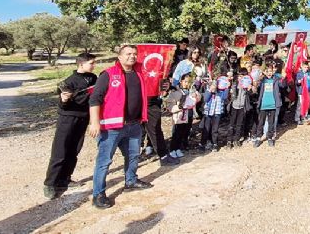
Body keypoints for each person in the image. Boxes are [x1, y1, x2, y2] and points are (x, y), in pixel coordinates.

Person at [89, 45, 153, 209]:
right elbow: (95, 99)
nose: (132, 56)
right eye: (128, 54)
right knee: (104, 161)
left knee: (133, 156)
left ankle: (131, 181)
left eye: (134, 54)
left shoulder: (139, 73)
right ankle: (98, 194)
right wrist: (94, 122)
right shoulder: (108, 74)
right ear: (119, 57)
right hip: (111, 128)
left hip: (134, 125)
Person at [43, 54, 97, 199]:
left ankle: (65, 179)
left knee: (74, 149)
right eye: (91, 63)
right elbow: (63, 105)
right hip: (68, 119)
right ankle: (50, 184)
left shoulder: (93, 78)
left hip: (83, 118)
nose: (94, 66)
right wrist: (64, 99)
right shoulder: (69, 82)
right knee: (60, 151)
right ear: (81, 64)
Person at [166, 73, 200, 157]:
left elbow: (197, 99)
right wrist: (178, 107)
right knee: (176, 133)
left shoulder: (190, 91)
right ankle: (172, 149)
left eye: (188, 82)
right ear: (181, 81)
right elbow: (169, 105)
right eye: (185, 81)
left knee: (182, 132)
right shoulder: (175, 92)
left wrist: (196, 96)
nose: (186, 84)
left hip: (185, 116)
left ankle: (178, 148)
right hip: (178, 116)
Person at [255, 64, 286, 147]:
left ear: (273, 72)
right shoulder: (262, 81)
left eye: (271, 71)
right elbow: (256, 86)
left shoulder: (276, 80)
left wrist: (284, 78)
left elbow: (283, 85)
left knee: (271, 123)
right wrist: (259, 78)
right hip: (263, 105)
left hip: (273, 104)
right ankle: (258, 137)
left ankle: (270, 137)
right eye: (267, 71)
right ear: (264, 72)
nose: (269, 73)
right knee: (261, 122)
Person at [201, 72, 230, 151]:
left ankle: (214, 143)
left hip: (217, 113)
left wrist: (227, 88)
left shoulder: (221, 92)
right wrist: (210, 91)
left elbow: (224, 97)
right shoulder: (208, 91)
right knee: (206, 129)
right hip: (208, 113)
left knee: (215, 129)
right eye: (213, 85)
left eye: (215, 85)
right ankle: (203, 143)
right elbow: (205, 99)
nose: (214, 87)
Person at [227, 68, 253, 148]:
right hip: (234, 106)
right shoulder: (234, 84)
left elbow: (250, 95)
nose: (241, 78)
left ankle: (236, 139)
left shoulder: (246, 85)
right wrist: (230, 89)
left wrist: (249, 89)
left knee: (239, 124)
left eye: (243, 76)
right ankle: (229, 140)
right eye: (239, 76)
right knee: (231, 124)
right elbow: (229, 93)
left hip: (242, 107)